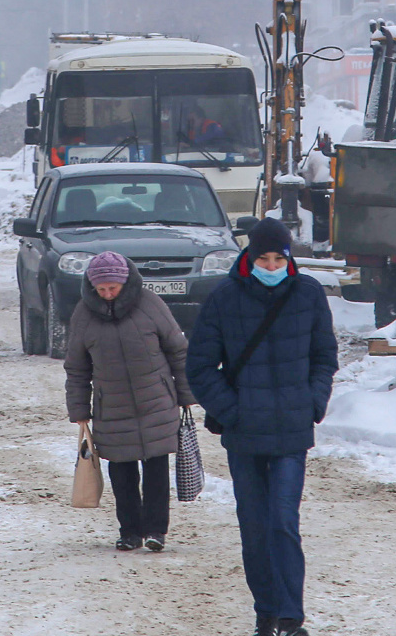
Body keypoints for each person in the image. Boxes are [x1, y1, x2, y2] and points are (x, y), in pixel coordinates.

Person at [187, 217, 338, 636]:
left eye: (278, 259)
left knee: (283, 522)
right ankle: (266, 612)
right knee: (254, 528)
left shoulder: (308, 294)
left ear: (288, 258)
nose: (270, 267)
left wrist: (313, 401)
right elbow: (199, 367)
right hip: (245, 434)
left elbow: (325, 356)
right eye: (263, 259)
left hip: (291, 430)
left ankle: (292, 618)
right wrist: (233, 411)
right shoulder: (223, 298)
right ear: (249, 258)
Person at [65, 251, 196, 552]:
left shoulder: (151, 305)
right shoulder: (83, 315)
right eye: (102, 289)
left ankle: (155, 531)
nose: (108, 294)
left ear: (126, 282)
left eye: (113, 288)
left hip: (156, 400)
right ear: (92, 287)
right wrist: (79, 410)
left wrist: (187, 394)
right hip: (112, 406)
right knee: (121, 472)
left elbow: (178, 350)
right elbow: (77, 367)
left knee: (156, 468)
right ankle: (129, 531)